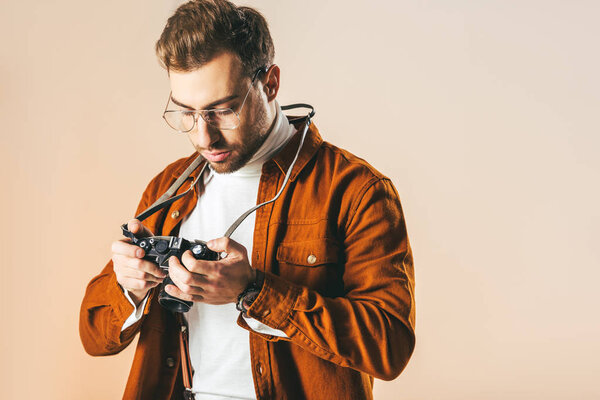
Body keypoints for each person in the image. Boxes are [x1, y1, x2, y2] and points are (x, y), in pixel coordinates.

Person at [79, 1, 415, 399]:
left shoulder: (356, 190)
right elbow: (94, 337)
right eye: (187, 112)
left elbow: (389, 346)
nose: (204, 137)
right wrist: (130, 286)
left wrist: (254, 291)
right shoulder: (168, 188)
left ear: (270, 83)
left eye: (222, 110)